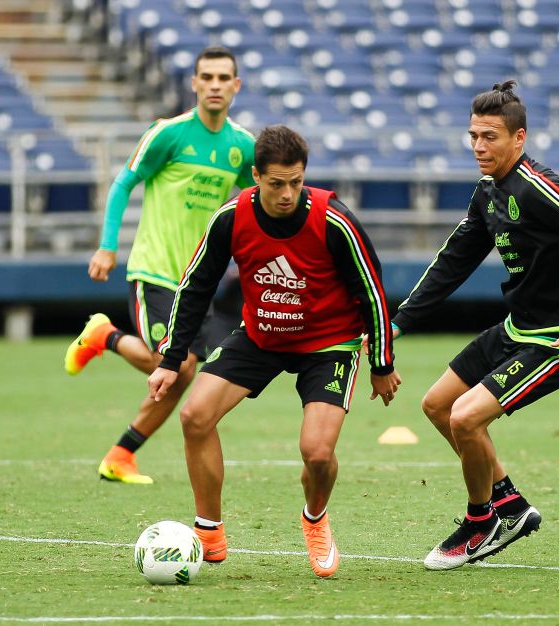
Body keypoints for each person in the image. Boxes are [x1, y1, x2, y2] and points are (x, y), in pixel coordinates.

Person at [389, 80, 559, 570]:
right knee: (437, 405)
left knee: (465, 417)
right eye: (474, 135)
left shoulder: (540, 187)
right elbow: (454, 261)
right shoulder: (487, 193)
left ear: (519, 139)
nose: (479, 146)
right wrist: (398, 323)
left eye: (490, 136)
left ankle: (482, 522)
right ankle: (510, 506)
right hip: (516, 329)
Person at [147, 125, 401, 578]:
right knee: (194, 416)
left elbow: (372, 291)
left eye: (296, 182)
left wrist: (382, 363)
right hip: (262, 334)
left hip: (330, 343)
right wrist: (171, 359)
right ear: (255, 176)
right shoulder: (230, 216)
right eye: (277, 183)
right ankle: (208, 531)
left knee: (318, 454)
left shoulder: (333, 219)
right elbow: (195, 286)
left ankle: (315, 518)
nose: (288, 194)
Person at [63, 46, 255, 485]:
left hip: (197, 281)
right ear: (194, 83)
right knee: (170, 363)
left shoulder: (242, 146)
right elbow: (124, 181)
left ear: (236, 86)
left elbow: (255, 200)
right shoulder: (169, 133)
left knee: (182, 372)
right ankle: (104, 335)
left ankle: (120, 455)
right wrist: (107, 246)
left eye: (224, 78)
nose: (214, 85)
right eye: (206, 77)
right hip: (155, 269)